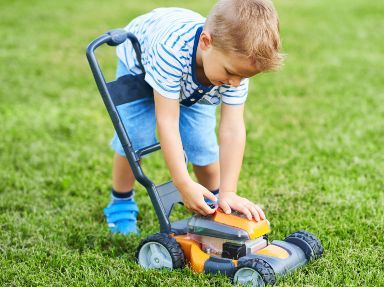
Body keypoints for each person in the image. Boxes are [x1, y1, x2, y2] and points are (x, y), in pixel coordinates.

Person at [102, 0, 283, 235]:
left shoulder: (234, 66)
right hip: (140, 66)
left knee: (202, 146)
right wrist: (183, 183)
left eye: (244, 77)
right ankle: (121, 203)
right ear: (206, 42)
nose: (235, 83)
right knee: (134, 138)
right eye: (231, 73)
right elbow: (166, 121)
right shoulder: (171, 51)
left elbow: (232, 128)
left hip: (196, 81)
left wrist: (229, 191)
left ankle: (216, 201)